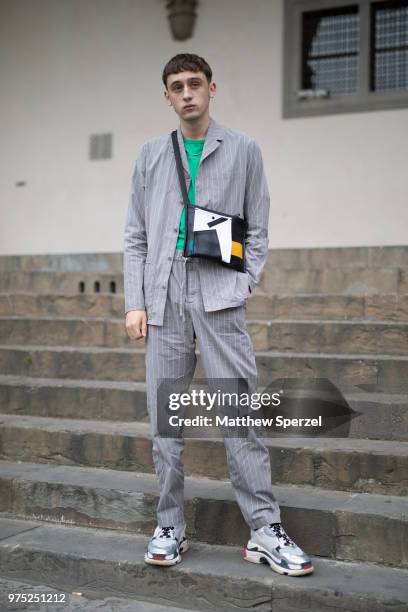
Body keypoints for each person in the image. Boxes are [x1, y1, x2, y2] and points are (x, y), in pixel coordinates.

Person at [123, 53, 314, 577]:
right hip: (163, 296)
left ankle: (263, 529)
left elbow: (258, 227)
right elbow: (136, 236)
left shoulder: (244, 149)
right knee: (167, 420)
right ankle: (170, 525)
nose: (187, 93)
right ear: (167, 96)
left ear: (211, 88)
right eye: (177, 86)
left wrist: (243, 280)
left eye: (195, 84)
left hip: (219, 294)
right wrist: (135, 302)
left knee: (240, 415)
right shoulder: (149, 156)